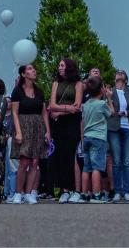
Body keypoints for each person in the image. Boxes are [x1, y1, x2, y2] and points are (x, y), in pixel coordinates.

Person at [8, 64, 50, 204]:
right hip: (23, 124)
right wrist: (18, 131)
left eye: (34, 68)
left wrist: (47, 131)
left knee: (34, 161)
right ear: (24, 74)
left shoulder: (39, 91)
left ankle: (29, 193)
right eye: (30, 69)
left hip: (37, 126)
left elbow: (44, 112)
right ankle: (18, 193)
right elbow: (14, 112)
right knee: (24, 160)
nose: (34, 71)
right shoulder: (17, 91)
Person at [49, 58, 83, 203]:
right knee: (61, 156)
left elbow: (77, 106)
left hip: (72, 123)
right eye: (59, 66)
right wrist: (67, 108)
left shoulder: (78, 84)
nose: (59, 68)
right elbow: (51, 105)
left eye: (62, 65)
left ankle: (75, 189)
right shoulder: (56, 83)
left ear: (69, 67)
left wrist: (60, 110)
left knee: (71, 155)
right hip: (59, 125)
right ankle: (64, 189)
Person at [78, 75, 112, 203]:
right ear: (101, 89)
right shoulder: (102, 104)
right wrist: (109, 98)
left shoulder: (86, 104)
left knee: (86, 168)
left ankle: (84, 194)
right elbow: (111, 112)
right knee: (97, 167)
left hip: (86, 137)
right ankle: (97, 194)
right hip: (98, 138)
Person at [108, 70, 129, 203]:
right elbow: (107, 109)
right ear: (115, 78)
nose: (119, 74)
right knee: (116, 161)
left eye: (122, 73)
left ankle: (126, 191)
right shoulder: (110, 91)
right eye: (117, 73)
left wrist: (126, 112)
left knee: (127, 161)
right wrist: (108, 97)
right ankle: (117, 191)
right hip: (114, 128)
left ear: (126, 79)